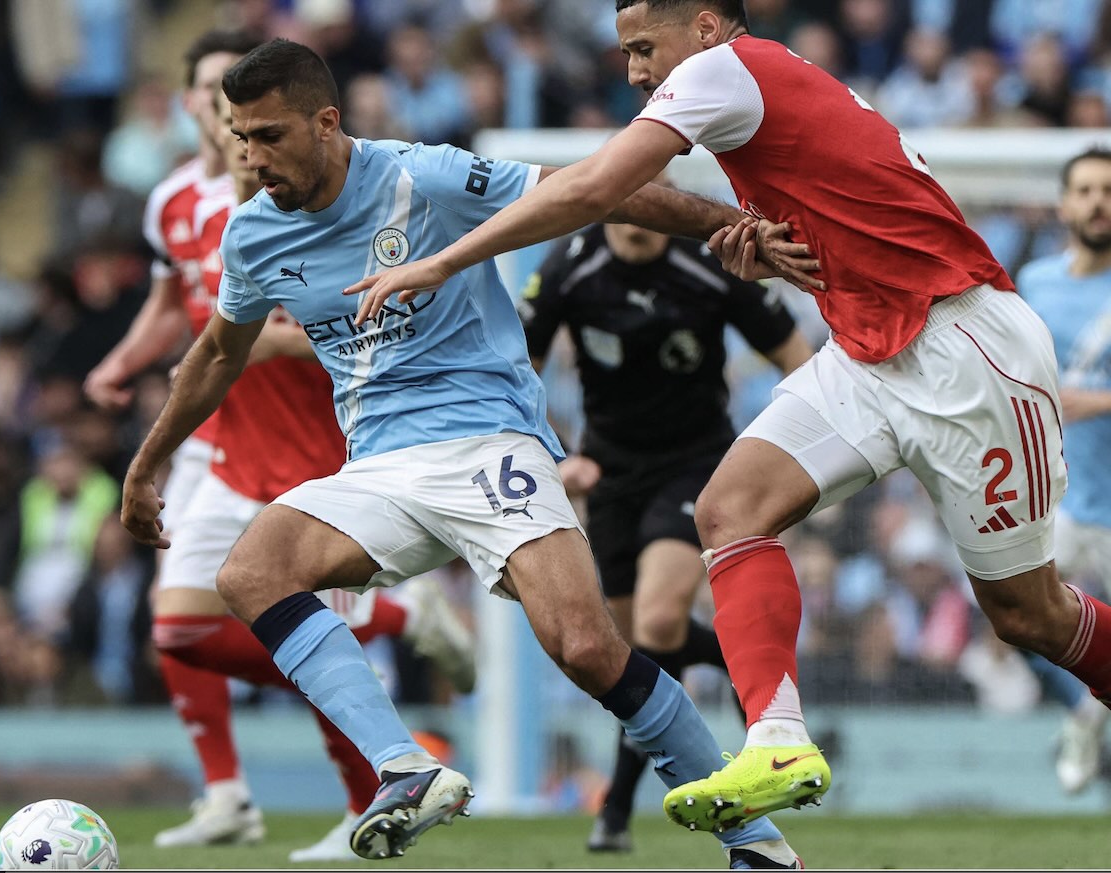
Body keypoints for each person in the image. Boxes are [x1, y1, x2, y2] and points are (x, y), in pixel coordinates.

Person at [348, 0, 1111, 835]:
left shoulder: (721, 71)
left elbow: (603, 185)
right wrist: (753, 240)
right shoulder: (752, 84)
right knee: (730, 508)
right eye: (626, 53)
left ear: (706, 28)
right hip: (867, 348)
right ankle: (778, 740)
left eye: (645, 47)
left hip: (966, 348)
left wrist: (446, 261)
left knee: (1028, 613)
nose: (635, 71)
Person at [121, 38, 806, 869]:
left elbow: (606, 194)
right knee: (251, 571)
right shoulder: (253, 237)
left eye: (270, 135)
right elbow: (217, 355)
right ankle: (405, 767)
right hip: (379, 463)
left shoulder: (423, 177)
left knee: (588, 648)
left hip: (487, 438)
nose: (252, 157)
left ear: (327, 122)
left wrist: (732, 227)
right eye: (241, 137)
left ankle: (758, 842)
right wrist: (148, 462)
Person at [85, 30, 475, 858]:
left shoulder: (304, 204)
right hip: (222, 446)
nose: (212, 113)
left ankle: (368, 788)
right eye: (203, 98)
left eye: (228, 105)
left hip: (316, 445)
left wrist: (272, 342)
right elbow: (180, 313)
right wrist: (125, 363)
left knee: (289, 624)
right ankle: (233, 787)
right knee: (180, 629)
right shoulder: (175, 205)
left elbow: (354, 320)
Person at [520, 216, 813, 851]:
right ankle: (628, 799)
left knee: (655, 625)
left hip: (698, 467)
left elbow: (797, 359)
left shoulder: (708, 260)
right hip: (608, 472)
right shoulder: (571, 265)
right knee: (627, 652)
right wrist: (558, 453)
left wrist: (779, 459)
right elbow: (518, 371)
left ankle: (620, 803)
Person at [1016, 147, 1111, 795]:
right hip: (1059, 493)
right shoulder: (1036, 282)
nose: (1098, 201)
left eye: (1108, 189)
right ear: (1064, 203)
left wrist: (1098, 401)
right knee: (1016, 613)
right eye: (1085, 190)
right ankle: (1082, 712)